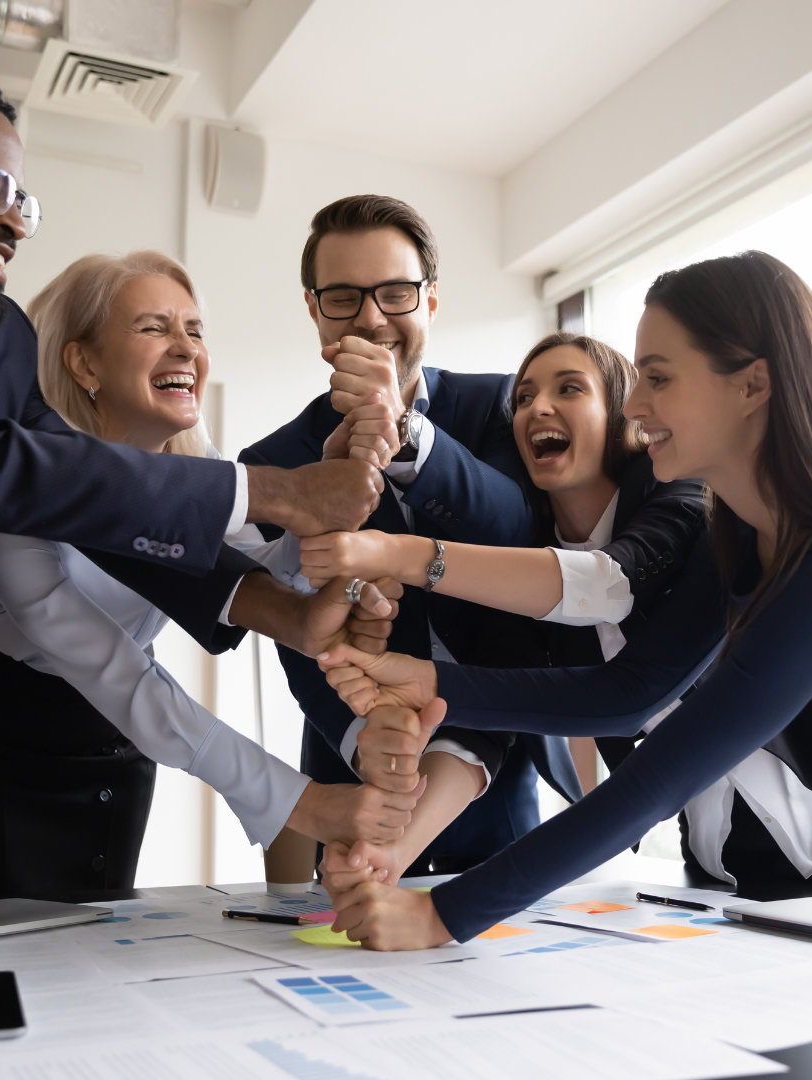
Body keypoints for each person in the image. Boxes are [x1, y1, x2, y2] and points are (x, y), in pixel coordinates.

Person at [0, 61, 384, 808]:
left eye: (22, 198)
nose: (15, 220)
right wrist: (281, 492)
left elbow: (87, 503)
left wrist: (287, 608)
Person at [318, 250, 812, 948]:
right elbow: (629, 693)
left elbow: (659, 776)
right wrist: (431, 681)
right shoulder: (742, 532)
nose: (637, 404)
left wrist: (444, 915)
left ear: (752, 386)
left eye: (656, 377)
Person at [0, 251, 424, 900]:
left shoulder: (195, 467)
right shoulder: (23, 482)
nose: (185, 348)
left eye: (195, 330)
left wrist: (332, 551)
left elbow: (266, 573)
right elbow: (107, 665)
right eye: (154, 328)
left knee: (99, 965)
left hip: (121, 744)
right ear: (85, 362)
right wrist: (300, 802)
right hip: (0, 749)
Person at [239, 194, 578, 876]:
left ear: (430, 300)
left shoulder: (501, 405)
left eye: (395, 292)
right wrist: (369, 744)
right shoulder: (272, 463)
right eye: (343, 297)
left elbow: (519, 531)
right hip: (352, 775)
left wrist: (404, 434)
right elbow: (295, 631)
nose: (370, 316)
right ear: (315, 312)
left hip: (496, 787)